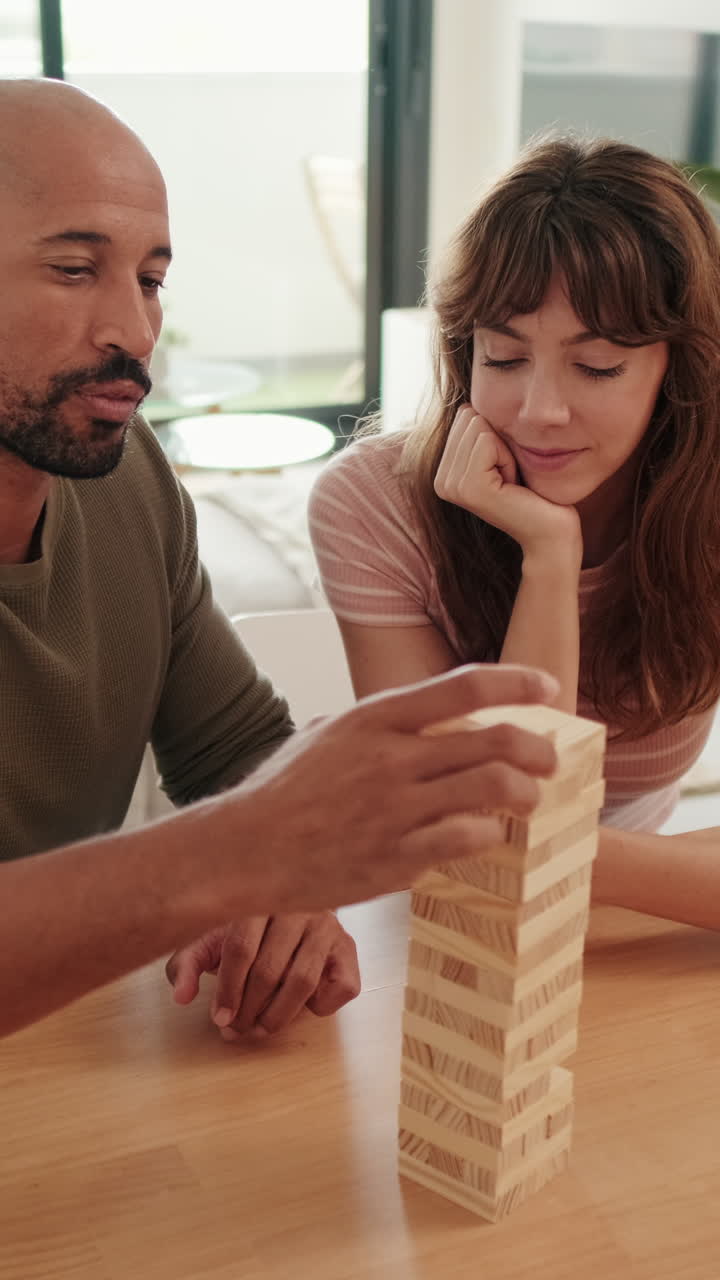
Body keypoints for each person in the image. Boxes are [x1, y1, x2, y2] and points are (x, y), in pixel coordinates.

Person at [0, 76, 563, 1042]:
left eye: (150, 279)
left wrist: (285, 884)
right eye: (72, 269)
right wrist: (233, 856)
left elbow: (235, 751)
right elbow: (243, 824)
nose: (134, 333)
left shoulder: (130, 478)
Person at [309, 133, 720, 931]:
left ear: (683, 368)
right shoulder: (371, 505)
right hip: (436, 921)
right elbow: (477, 836)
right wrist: (549, 556)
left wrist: (551, 846)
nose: (539, 411)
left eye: (596, 366)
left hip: (635, 912)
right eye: (502, 357)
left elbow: (509, 835)